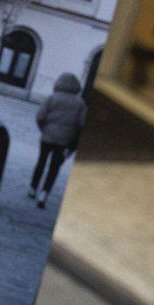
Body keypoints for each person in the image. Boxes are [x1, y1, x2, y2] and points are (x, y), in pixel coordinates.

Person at [30, 72, 88, 206]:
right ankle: (44, 194)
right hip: (64, 140)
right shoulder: (80, 103)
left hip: (47, 136)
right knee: (54, 168)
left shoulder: (52, 98)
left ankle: (33, 188)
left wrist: (44, 129)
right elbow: (82, 124)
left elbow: (40, 116)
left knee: (41, 162)